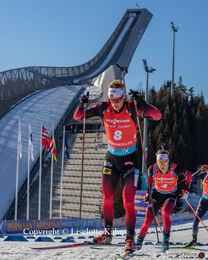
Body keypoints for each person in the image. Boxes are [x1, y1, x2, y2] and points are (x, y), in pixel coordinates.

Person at [73, 79, 162, 253]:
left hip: (130, 160)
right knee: (107, 198)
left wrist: (144, 103)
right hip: (111, 159)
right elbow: (77, 116)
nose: (115, 103)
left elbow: (157, 115)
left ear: (123, 97)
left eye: (118, 99)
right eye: (112, 99)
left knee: (127, 200)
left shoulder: (131, 108)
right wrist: (82, 104)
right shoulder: (103, 108)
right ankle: (107, 234)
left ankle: (130, 239)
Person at [136, 149, 192, 251]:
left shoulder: (175, 168)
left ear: (168, 161)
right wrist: (149, 193)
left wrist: (186, 190)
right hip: (157, 194)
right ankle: (139, 241)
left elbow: (189, 175)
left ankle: (166, 240)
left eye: (164, 162)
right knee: (148, 219)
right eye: (160, 163)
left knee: (165, 213)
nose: (162, 165)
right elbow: (149, 182)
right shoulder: (152, 169)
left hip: (171, 194)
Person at [185, 165, 208, 247]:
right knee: (196, 220)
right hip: (204, 200)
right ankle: (194, 241)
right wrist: (201, 170)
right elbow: (193, 178)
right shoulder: (205, 174)